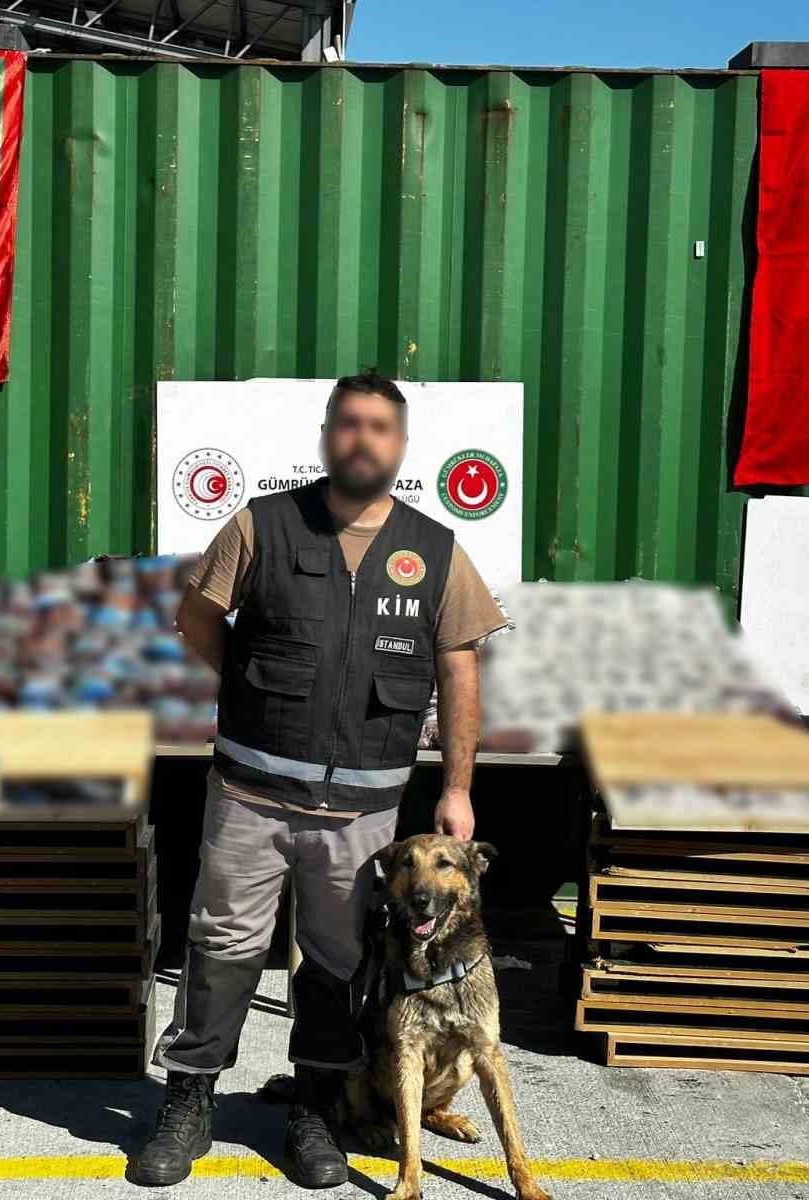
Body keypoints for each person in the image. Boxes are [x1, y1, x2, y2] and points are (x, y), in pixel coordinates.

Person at [131, 370, 508, 1188]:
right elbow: (196, 617)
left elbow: (460, 667)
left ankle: (312, 1108)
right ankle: (189, 1099)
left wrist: (457, 788)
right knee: (222, 946)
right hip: (251, 793)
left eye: (379, 426)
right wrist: (251, 691)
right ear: (328, 435)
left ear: (399, 445)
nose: (362, 438)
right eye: (349, 423)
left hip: (362, 810)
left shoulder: (435, 549)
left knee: (337, 961)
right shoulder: (262, 524)